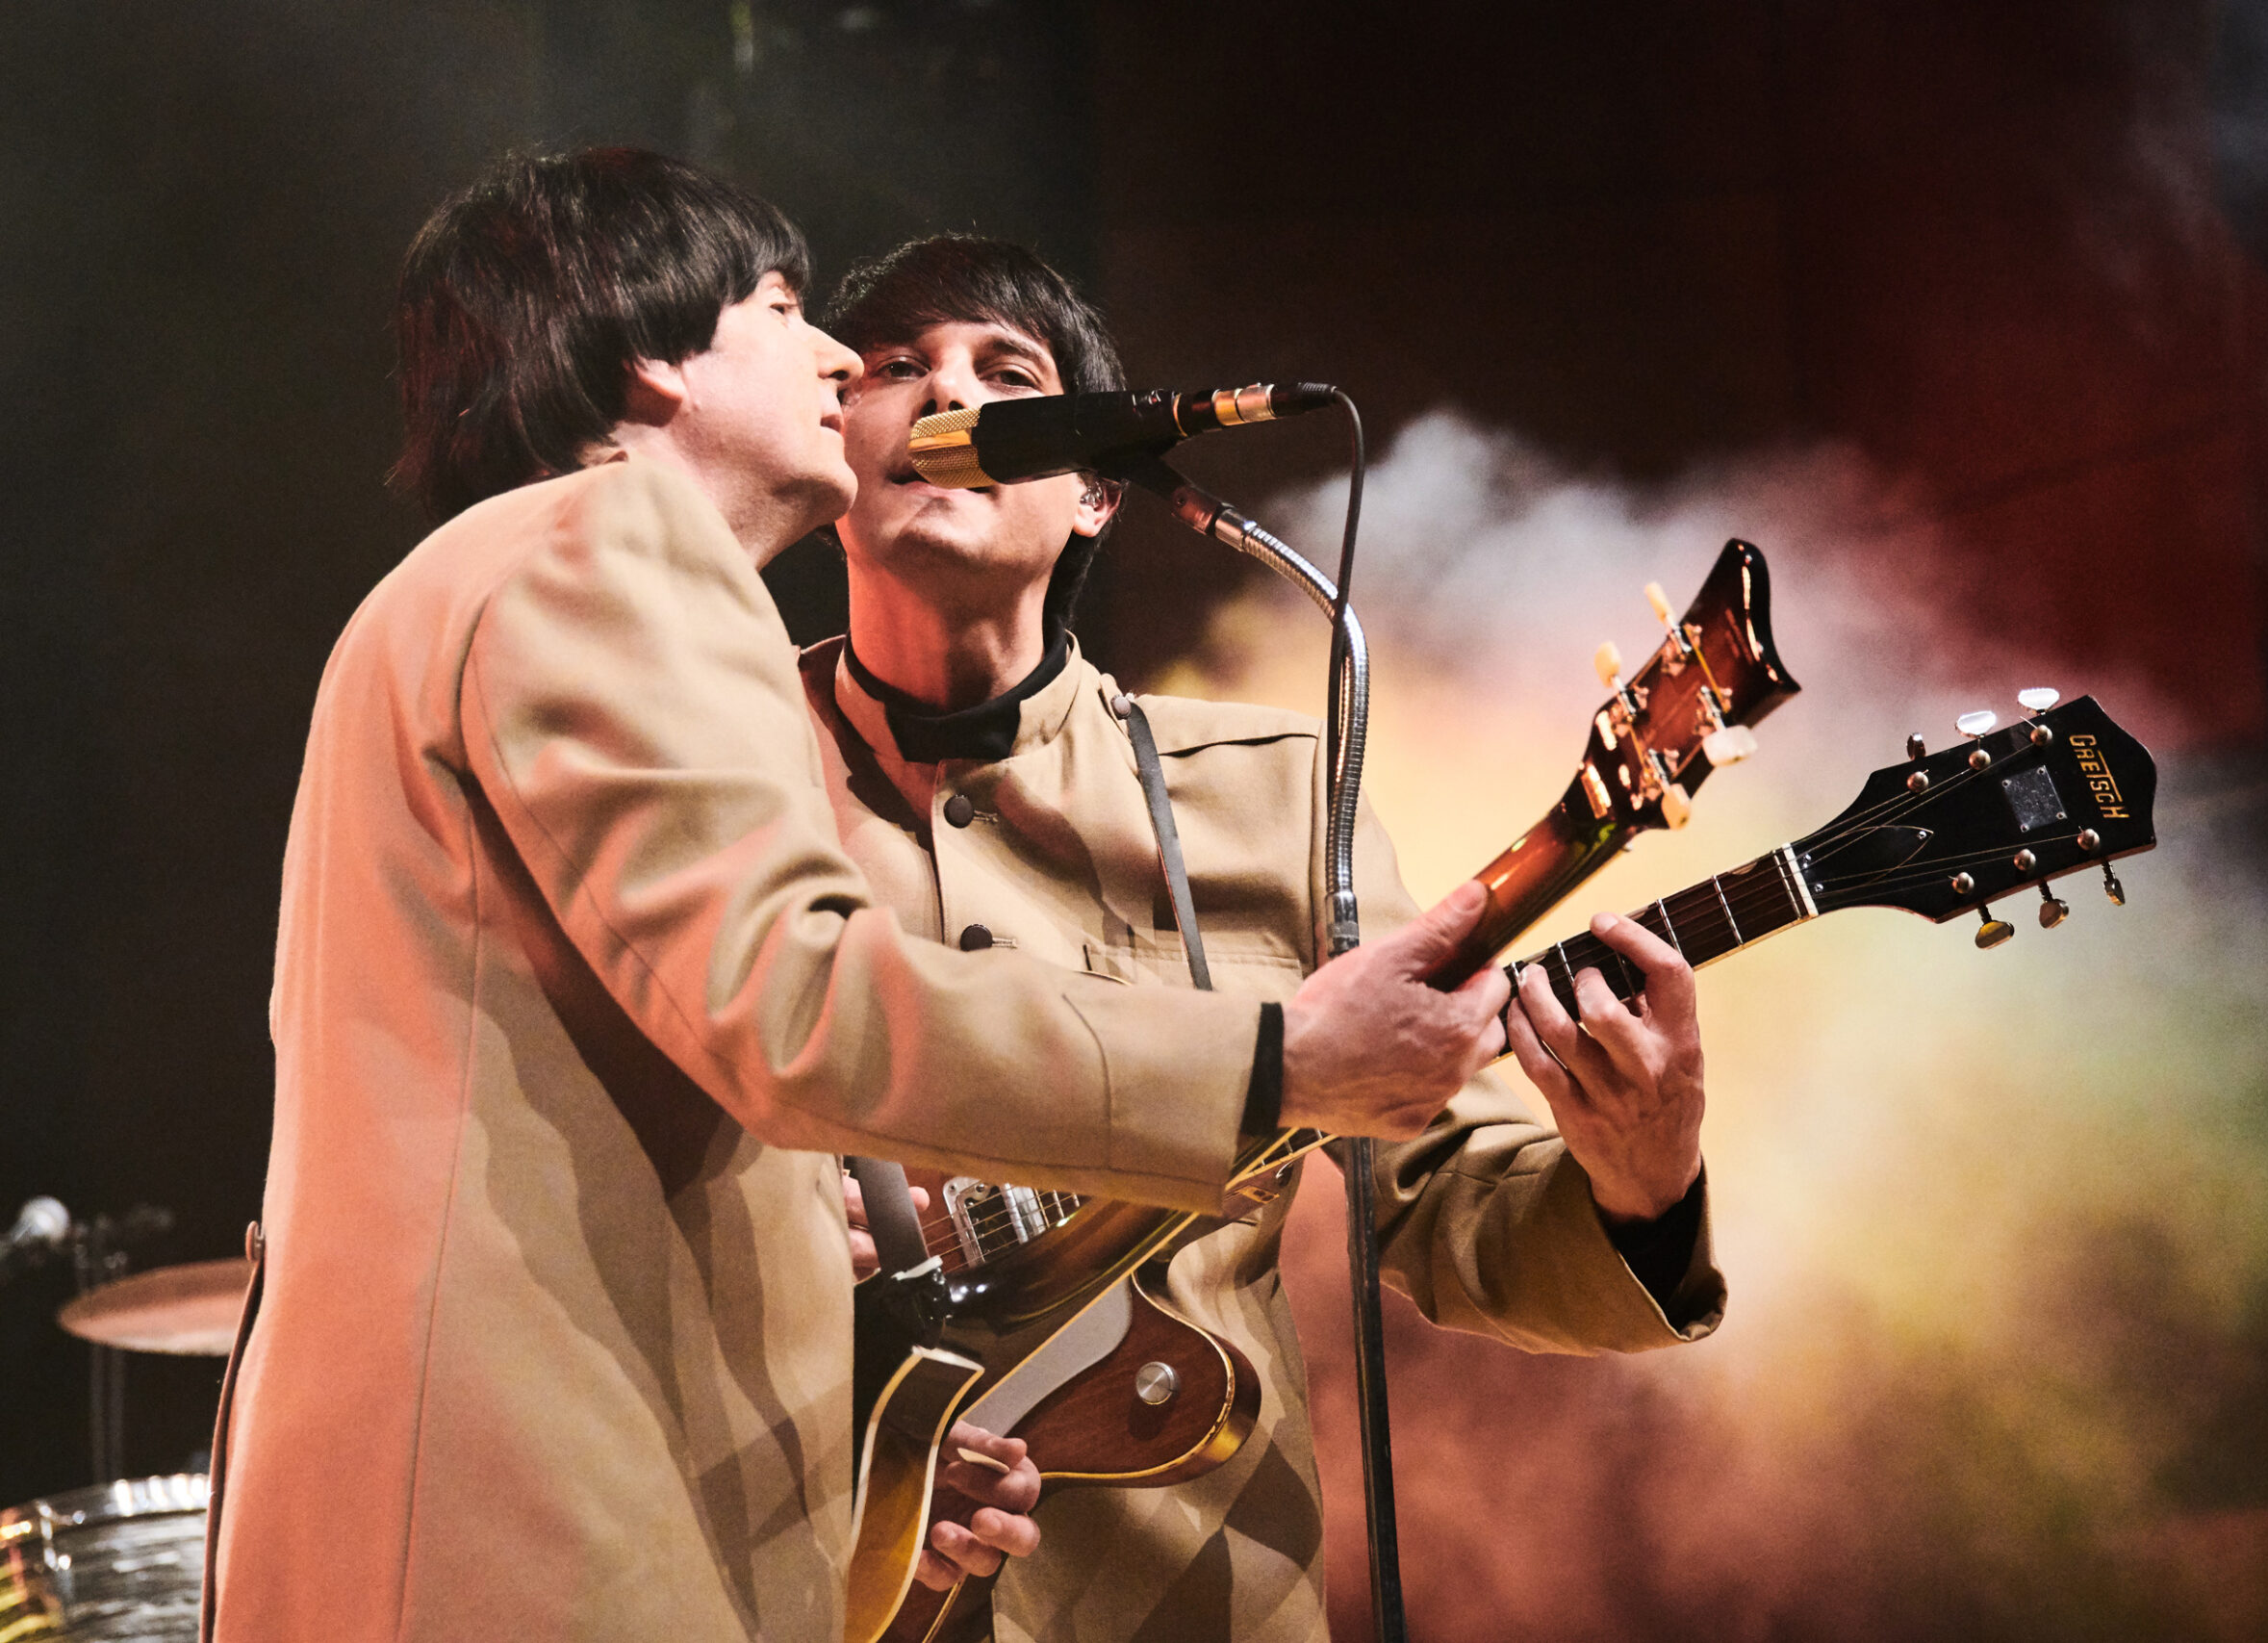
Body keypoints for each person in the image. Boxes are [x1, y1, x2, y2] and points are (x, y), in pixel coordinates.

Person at [210, 150, 1514, 1643]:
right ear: (652, 360)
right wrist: (1279, 1059)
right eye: (784, 311)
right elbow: (800, 1008)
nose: (837, 360)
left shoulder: (463, 583)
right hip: (539, 1546)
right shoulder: (618, 543)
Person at [805, 235, 1723, 1642]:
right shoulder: (710, 773)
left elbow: (1443, 1199)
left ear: (1096, 492)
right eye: (896, 368)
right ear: (829, 450)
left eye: (1010, 377)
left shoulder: (1275, 791)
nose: (951, 400)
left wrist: (1642, 1183)